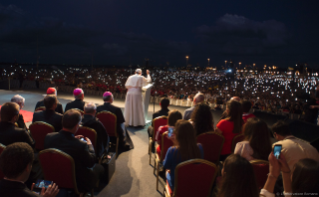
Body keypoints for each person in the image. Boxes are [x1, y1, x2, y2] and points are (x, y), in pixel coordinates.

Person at [44, 109, 104, 193]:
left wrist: (73, 139)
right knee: (100, 168)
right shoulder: (81, 145)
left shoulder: (48, 137)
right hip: (76, 183)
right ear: (76, 126)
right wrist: (90, 145)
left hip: (53, 177)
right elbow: (91, 163)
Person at [163, 120, 204, 191]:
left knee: (167, 171)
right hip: (194, 183)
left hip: (177, 186)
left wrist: (174, 143)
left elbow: (166, 165)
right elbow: (199, 163)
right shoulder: (199, 147)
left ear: (178, 135)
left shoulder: (172, 150)